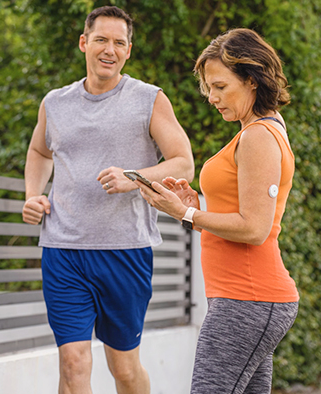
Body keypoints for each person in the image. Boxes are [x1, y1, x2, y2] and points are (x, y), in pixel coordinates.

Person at [22, 5, 194, 394]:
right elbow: (39, 152)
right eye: (101, 39)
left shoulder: (149, 99)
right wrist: (33, 195)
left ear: (128, 51)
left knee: (125, 369)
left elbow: (184, 164)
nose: (109, 49)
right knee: (73, 363)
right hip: (63, 249)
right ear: (84, 43)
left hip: (125, 252)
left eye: (119, 42)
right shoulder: (55, 103)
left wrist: (133, 178)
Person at [133, 28, 299, 393]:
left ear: (252, 80)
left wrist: (185, 214)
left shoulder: (258, 136)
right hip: (247, 297)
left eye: (221, 87)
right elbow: (241, 213)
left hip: (248, 298)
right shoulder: (259, 131)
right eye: (209, 88)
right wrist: (196, 207)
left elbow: (255, 228)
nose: (212, 97)